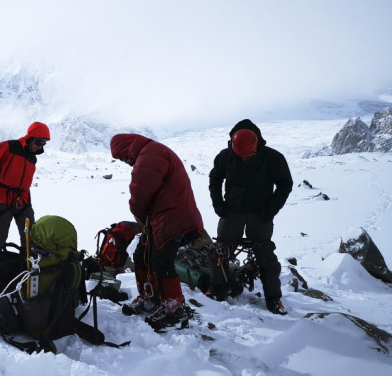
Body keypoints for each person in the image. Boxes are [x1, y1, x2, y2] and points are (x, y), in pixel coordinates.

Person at [110, 133, 205, 330]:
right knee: (142, 255)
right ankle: (150, 298)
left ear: (127, 148)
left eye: (123, 157)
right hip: (165, 215)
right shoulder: (150, 152)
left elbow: (141, 191)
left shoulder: (149, 155)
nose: (126, 161)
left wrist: (137, 212)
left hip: (174, 217)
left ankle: (174, 308)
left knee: (162, 261)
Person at [209, 119, 293, 315]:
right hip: (232, 211)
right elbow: (215, 178)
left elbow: (285, 184)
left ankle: (274, 299)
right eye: (241, 157)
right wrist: (218, 204)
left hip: (260, 213)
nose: (244, 160)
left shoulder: (273, 158)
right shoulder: (226, 156)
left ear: (256, 147)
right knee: (219, 252)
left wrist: (270, 210)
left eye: (249, 157)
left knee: (265, 254)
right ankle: (218, 289)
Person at [0, 122, 50, 253]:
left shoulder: (32, 157)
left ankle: (26, 264)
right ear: (30, 138)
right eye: (38, 143)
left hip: (23, 199)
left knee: (30, 236)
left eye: (43, 144)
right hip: (3, 197)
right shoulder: (8, 147)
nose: (40, 147)